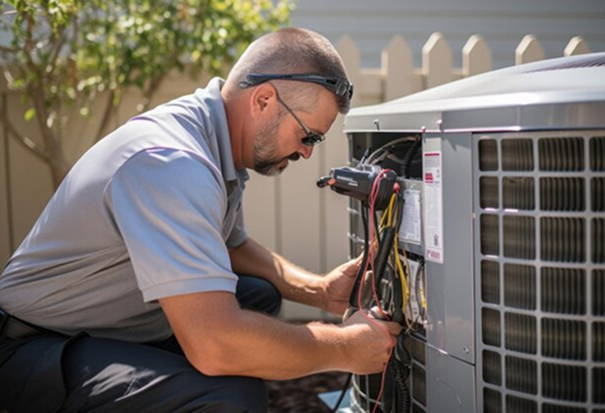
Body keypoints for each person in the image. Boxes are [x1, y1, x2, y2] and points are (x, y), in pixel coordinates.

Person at [0, 28, 400, 412]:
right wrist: (345, 347)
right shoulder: (172, 163)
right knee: (228, 397)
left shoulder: (211, 139)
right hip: (34, 347)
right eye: (308, 135)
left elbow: (231, 247)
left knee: (258, 297)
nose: (308, 152)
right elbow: (216, 346)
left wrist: (321, 292)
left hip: (103, 323)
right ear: (263, 100)